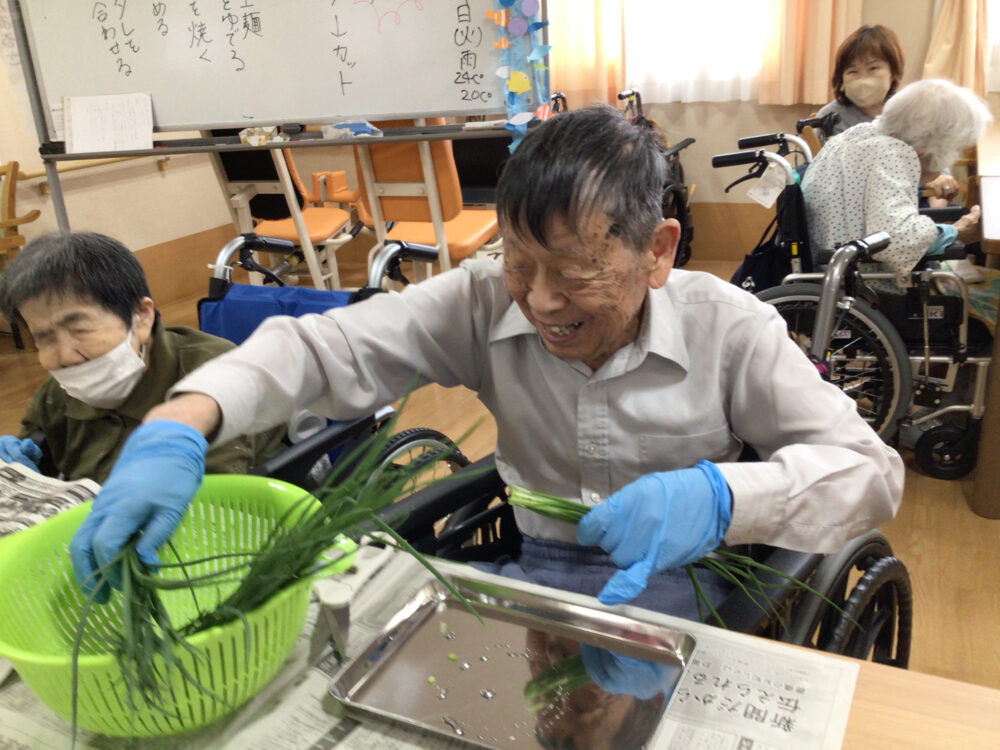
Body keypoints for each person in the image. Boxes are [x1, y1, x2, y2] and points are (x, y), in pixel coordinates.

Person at [68, 106, 903, 616]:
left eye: (574, 271)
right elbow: (329, 347)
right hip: (532, 575)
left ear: (658, 250)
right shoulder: (481, 299)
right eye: (518, 261)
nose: (538, 301)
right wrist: (184, 418)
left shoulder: (731, 328)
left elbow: (872, 475)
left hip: (682, 589)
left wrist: (725, 496)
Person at [0, 232, 286, 483]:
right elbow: (33, 446)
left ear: (141, 316)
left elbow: (214, 503)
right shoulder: (56, 396)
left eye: (79, 329)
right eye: (44, 338)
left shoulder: (212, 378)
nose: (64, 356)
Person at [802, 79, 992, 288]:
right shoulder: (894, 154)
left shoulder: (859, 134)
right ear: (933, 144)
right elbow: (896, 240)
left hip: (828, 265)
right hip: (862, 283)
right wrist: (956, 232)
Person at [815, 25, 960, 203]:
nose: (863, 80)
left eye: (873, 68)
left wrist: (938, 212)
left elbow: (938, 171)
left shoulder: (912, 111)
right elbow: (833, 180)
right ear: (841, 79)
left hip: (912, 203)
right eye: (852, 71)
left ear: (893, 73)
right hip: (856, 209)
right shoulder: (830, 118)